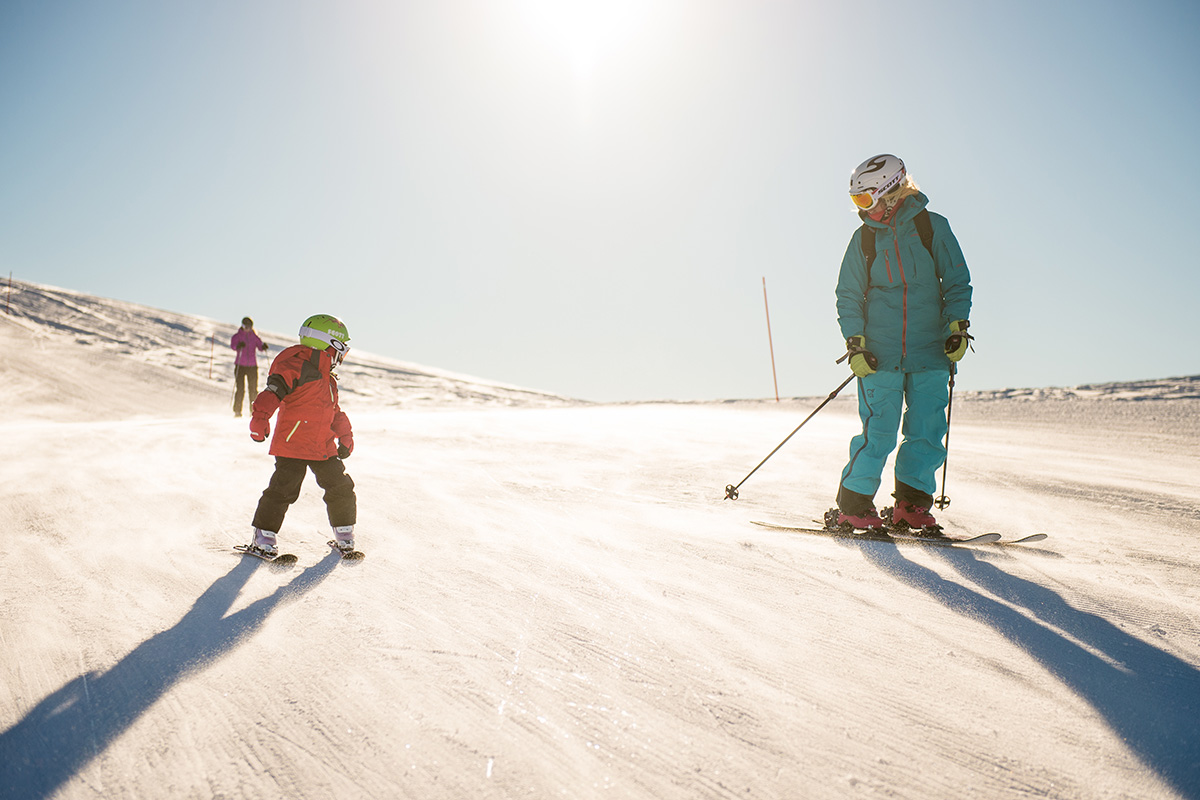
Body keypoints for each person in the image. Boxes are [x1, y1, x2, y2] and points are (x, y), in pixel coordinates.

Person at [832, 154, 973, 531]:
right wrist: (855, 342)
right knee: (878, 430)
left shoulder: (932, 227)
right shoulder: (863, 238)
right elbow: (849, 293)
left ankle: (911, 505)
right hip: (878, 353)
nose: (862, 210)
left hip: (931, 350)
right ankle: (854, 505)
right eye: (856, 202)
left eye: (866, 200)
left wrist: (957, 327)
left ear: (890, 191)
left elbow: (957, 282)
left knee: (927, 430)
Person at [245, 314, 357, 557]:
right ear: (329, 344)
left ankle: (345, 534)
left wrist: (345, 435)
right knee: (283, 490)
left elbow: (333, 411)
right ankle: (263, 537)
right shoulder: (295, 365)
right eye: (342, 349)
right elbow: (272, 392)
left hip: (322, 446)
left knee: (341, 487)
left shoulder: (328, 378)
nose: (342, 357)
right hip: (293, 443)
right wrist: (260, 417)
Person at [230, 317, 268, 418]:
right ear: (242, 326)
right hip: (240, 365)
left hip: (252, 366)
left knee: (253, 389)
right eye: (245, 326)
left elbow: (260, 346)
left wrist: (263, 346)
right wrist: (238, 345)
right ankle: (237, 411)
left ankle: (253, 411)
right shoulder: (237, 336)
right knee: (240, 389)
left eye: (249, 327)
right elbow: (233, 346)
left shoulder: (254, 337)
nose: (247, 328)